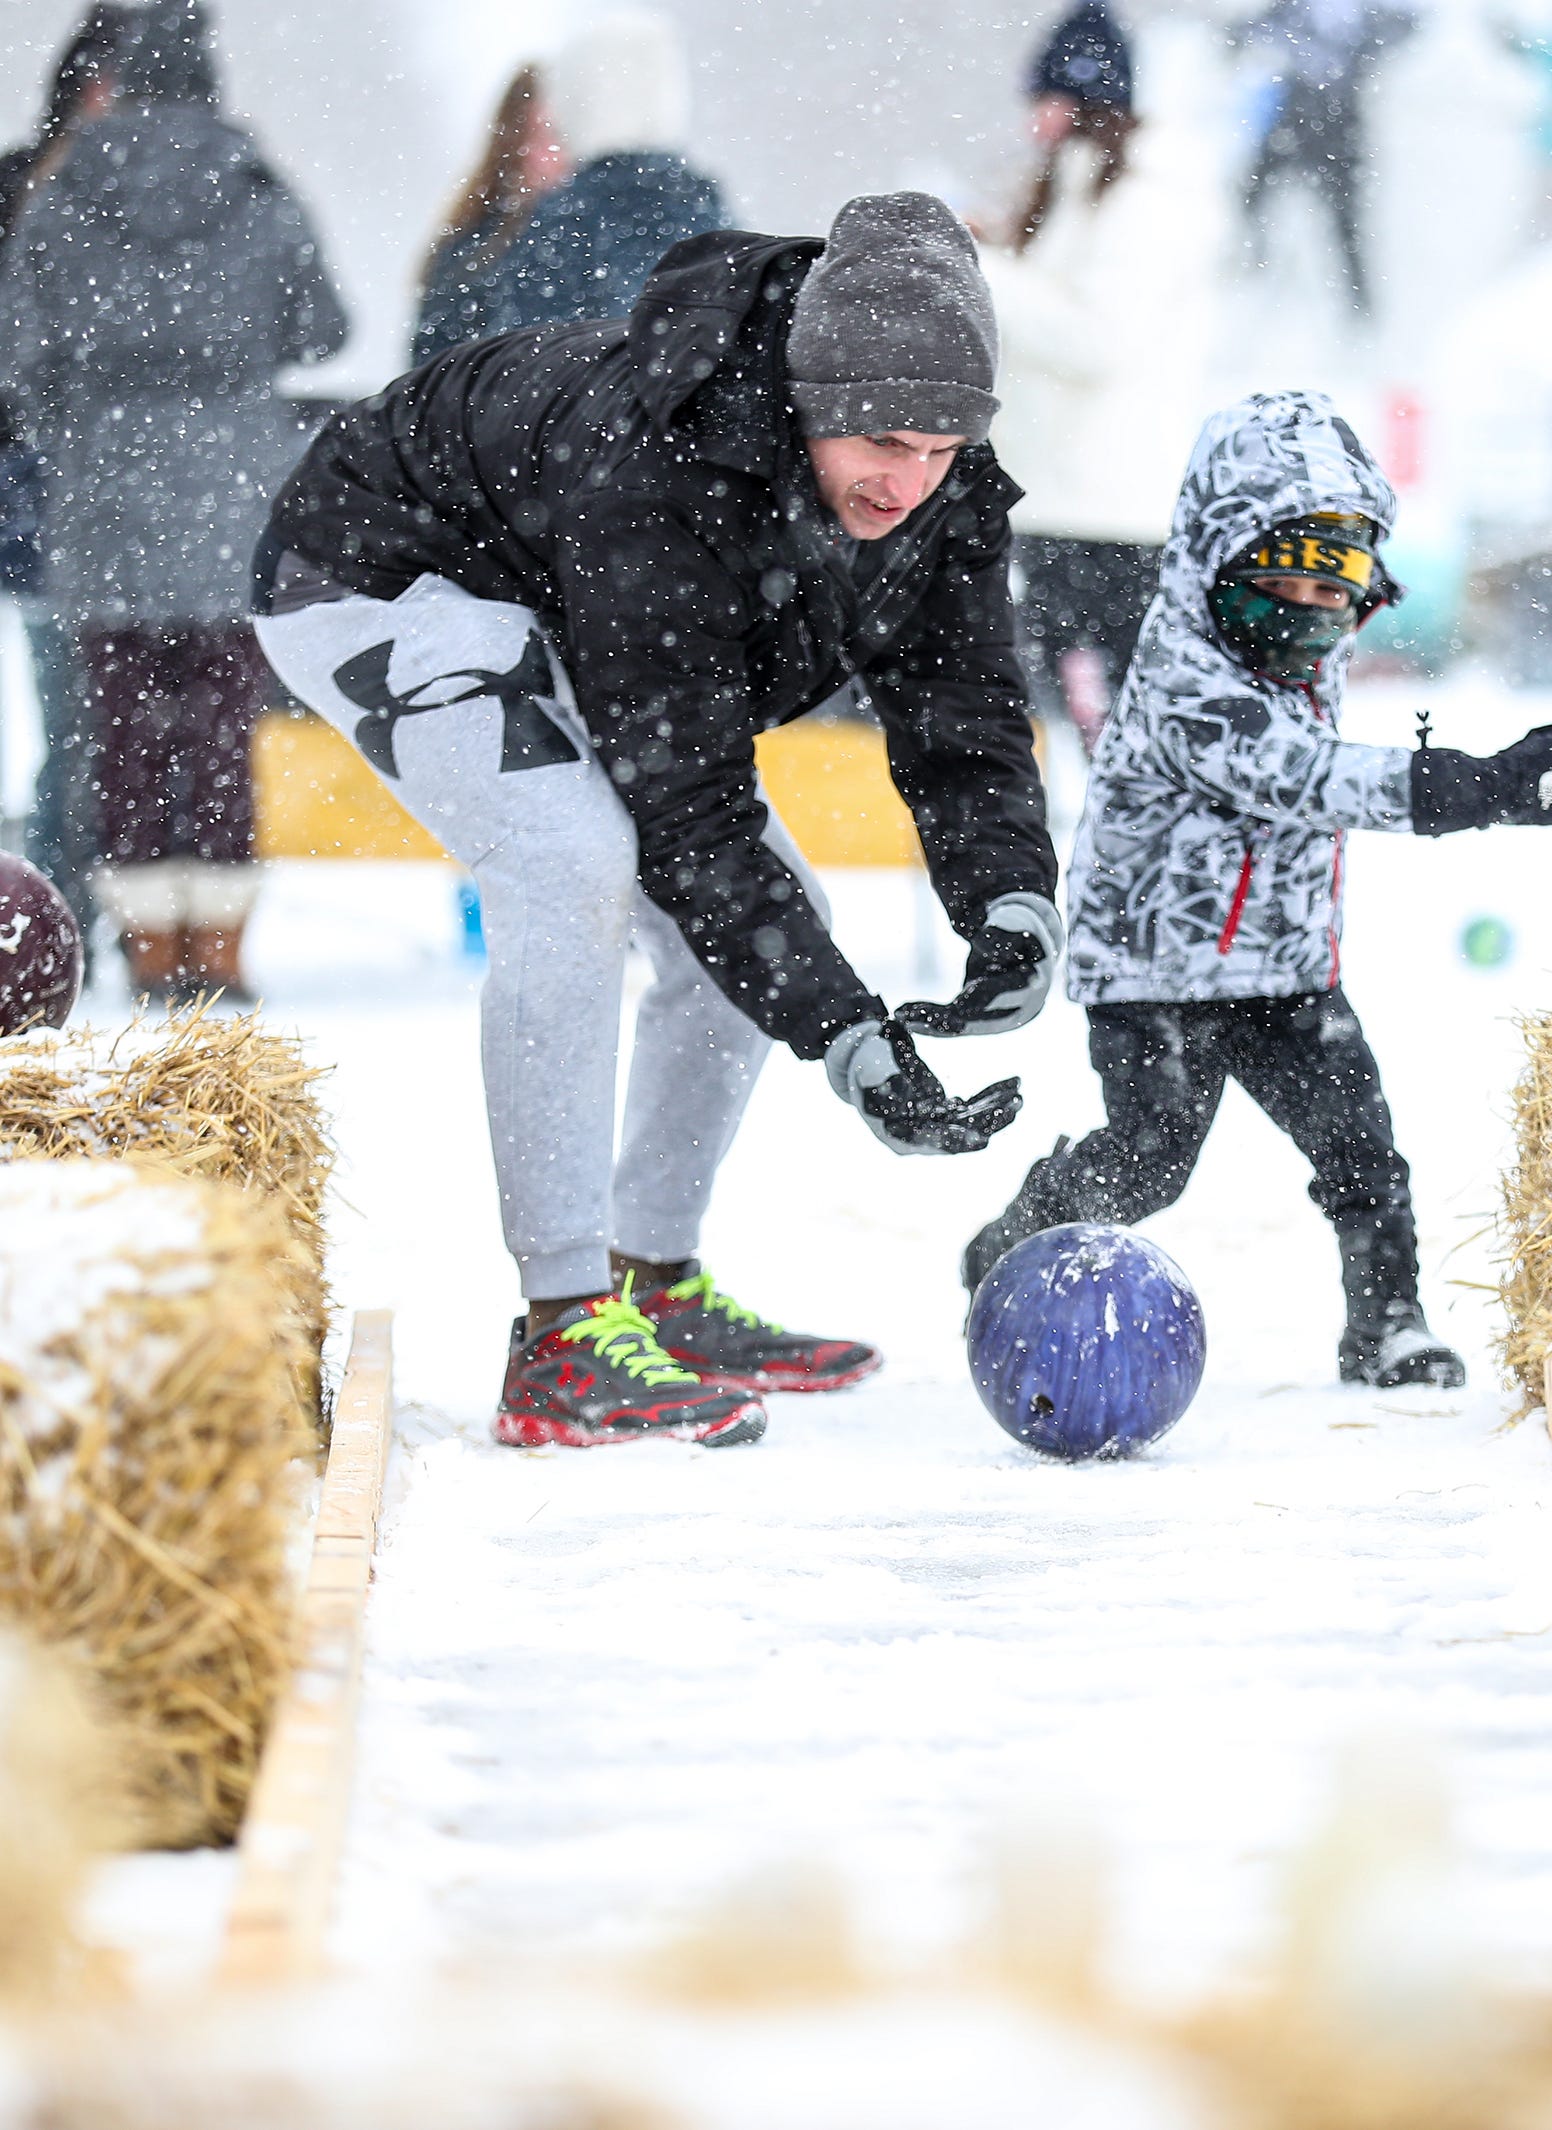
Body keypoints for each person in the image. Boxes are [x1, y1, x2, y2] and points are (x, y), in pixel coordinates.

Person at [253, 192, 1062, 1451]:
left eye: (943, 448)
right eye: (883, 442)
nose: (909, 482)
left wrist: (1011, 905)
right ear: (806, 400)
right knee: (569, 862)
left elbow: (960, 704)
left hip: (546, 595)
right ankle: (563, 1331)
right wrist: (848, 1035)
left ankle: (654, 1284)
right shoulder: (660, 459)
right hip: (380, 577)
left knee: (761, 921)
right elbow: (684, 808)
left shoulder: (936, 489)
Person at [963, 391, 1552, 1389]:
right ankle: (1022, 1233)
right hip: (1153, 972)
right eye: (1279, 581)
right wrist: (1483, 786)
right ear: (1216, 560)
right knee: (1149, 1160)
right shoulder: (1182, 678)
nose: (1307, 613)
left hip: (1284, 965)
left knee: (1363, 1152)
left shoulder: (1306, 649)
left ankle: (1385, 1323)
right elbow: (1303, 776)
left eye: (1334, 588)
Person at [2, 0, 348, 1002]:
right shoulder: (252, 185)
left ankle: (148, 943)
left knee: (120, 732)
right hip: (230, 504)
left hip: (103, 501)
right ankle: (221, 944)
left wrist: (90, 422)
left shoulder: (65, 198)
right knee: (219, 728)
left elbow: (21, 354)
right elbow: (322, 326)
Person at [982, 2, 1225, 749]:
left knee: (1112, 732)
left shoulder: (1148, 200)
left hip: (1108, 511)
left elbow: (1100, 337)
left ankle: (1137, 860)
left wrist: (987, 271)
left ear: (1087, 102)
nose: (1033, 124)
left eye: (1047, 102)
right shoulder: (1084, 188)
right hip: (1061, 502)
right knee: (1084, 724)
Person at [0, 3, 131, 953]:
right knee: (72, 728)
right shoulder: (28, 191)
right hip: (44, 499)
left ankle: (79, 919)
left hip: (119, 499)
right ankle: (54, 925)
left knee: (107, 733)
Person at [494, 9, 728, 335]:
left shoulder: (563, 221)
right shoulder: (705, 209)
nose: (541, 153)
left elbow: (523, 360)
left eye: (551, 132)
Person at [1240, 0, 1415, 318]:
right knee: (1254, 199)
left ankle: (1359, 310)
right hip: (1294, 121)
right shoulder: (1293, 8)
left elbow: (1402, 31)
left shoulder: (1377, 14)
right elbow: (1257, 31)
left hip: (1342, 130)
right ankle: (1250, 272)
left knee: (1346, 227)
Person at [410, 64, 569, 366]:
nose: (549, 153)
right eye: (538, 134)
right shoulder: (470, 251)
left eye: (561, 134)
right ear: (511, 142)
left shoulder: (613, 241)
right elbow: (429, 381)